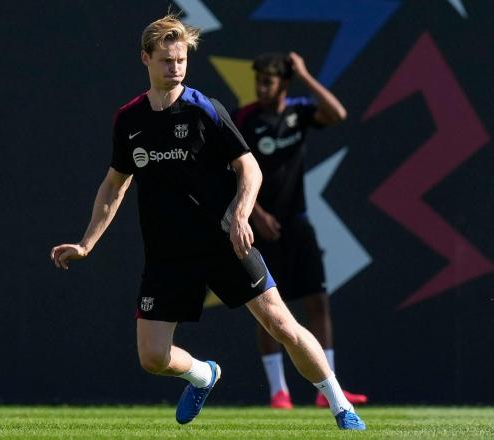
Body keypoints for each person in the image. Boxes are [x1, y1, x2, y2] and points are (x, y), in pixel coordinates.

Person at [49, 14, 365, 431]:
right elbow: (114, 186)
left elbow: (249, 168)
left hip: (223, 243)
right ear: (145, 58)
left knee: (281, 322)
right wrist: (87, 242)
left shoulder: (205, 110)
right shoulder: (129, 120)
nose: (175, 67)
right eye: (165, 60)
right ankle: (203, 374)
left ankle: (341, 405)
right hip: (167, 254)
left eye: (181, 59)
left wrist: (239, 211)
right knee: (152, 359)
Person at [233, 52, 368, 409]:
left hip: (298, 223)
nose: (262, 87)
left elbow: (337, 114)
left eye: (269, 80)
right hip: (258, 227)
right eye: (258, 80)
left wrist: (306, 75)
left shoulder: (299, 112)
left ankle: (328, 391)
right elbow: (230, 170)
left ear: (283, 83)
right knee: (267, 309)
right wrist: (256, 214)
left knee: (317, 302)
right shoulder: (245, 119)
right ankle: (279, 391)